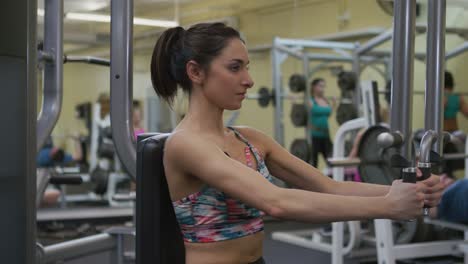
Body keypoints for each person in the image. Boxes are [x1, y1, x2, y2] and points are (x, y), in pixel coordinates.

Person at [150, 22, 443, 264]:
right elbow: (276, 202)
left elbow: (331, 187)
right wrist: (389, 207)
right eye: (235, 67)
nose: (249, 80)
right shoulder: (185, 145)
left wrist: (406, 191)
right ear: (195, 72)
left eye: (247, 67)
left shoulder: (250, 138)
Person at [306, 78, 335, 167]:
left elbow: (329, 112)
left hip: (325, 134)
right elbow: (315, 110)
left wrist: (334, 104)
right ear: (314, 87)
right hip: (314, 136)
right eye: (320, 86)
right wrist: (327, 108)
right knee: (314, 163)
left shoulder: (325, 100)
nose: (322, 88)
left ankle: (332, 179)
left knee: (331, 160)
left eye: (323, 86)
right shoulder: (310, 100)